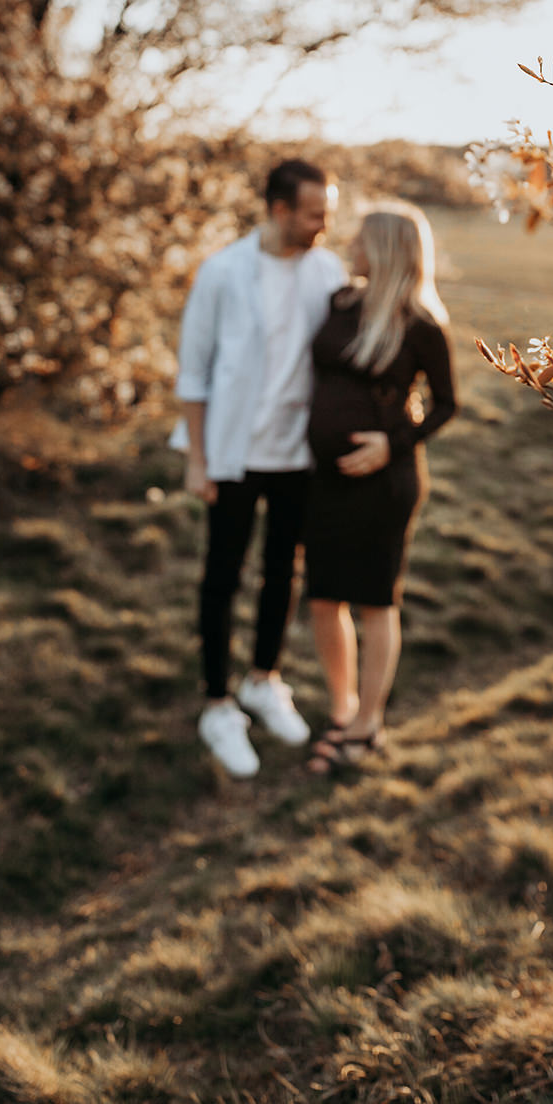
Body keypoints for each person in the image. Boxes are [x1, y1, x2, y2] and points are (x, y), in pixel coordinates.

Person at [173, 159, 347, 779]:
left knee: (284, 572)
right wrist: (197, 458)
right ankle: (217, 704)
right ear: (278, 209)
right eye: (313, 214)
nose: (324, 225)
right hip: (232, 455)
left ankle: (263, 681)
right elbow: (193, 374)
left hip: (298, 455)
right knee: (222, 576)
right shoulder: (222, 273)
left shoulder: (327, 271)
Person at [305, 203, 457, 773]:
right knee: (323, 598)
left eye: (361, 237)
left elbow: (448, 405)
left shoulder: (420, 323)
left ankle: (368, 724)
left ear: (387, 247)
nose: (350, 243)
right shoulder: (341, 302)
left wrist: (391, 445)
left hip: (384, 486)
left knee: (374, 601)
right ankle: (343, 710)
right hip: (324, 479)